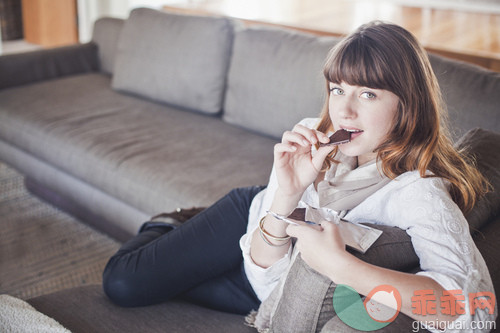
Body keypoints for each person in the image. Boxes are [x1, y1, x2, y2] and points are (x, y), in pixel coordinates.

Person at [103, 21, 496, 331]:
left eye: (368, 94)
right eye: (337, 89)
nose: (344, 112)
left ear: (407, 106)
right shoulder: (312, 132)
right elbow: (262, 252)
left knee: (137, 289)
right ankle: (171, 220)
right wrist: (288, 193)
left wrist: (344, 269)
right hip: (253, 215)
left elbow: (476, 312)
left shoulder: (418, 193)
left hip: (266, 285)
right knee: (122, 281)